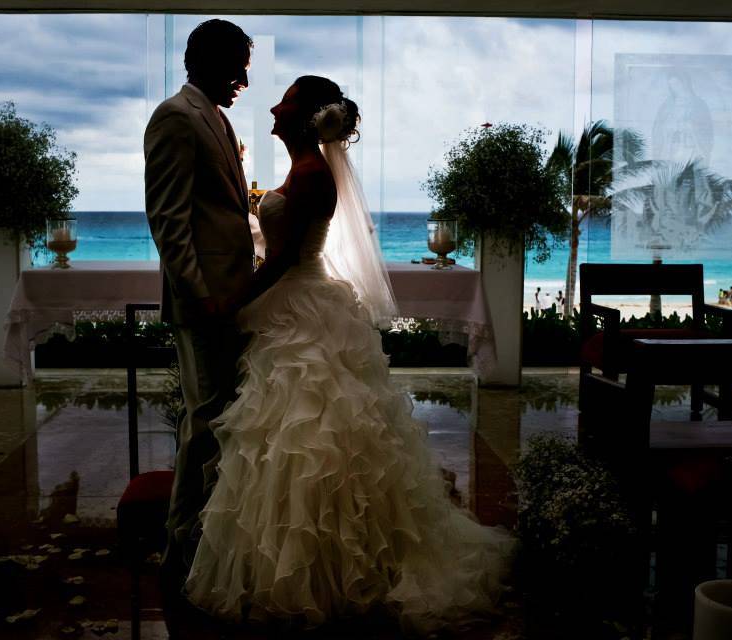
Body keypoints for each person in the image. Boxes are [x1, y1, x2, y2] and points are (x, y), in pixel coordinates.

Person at [183, 76, 513, 634]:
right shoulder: (304, 170)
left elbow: (285, 262)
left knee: (309, 431)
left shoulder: (312, 175)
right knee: (295, 433)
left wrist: (230, 302)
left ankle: (324, 569)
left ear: (308, 116)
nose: (271, 105)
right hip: (299, 304)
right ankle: (311, 562)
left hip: (301, 306)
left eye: (283, 100)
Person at [142, 18, 258, 617]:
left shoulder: (215, 115)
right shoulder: (175, 117)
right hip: (205, 300)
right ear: (207, 62)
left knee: (218, 418)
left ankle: (210, 539)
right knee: (205, 420)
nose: (244, 78)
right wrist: (199, 291)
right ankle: (180, 546)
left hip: (230, 298)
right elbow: (168, 218)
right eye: (237, 63)